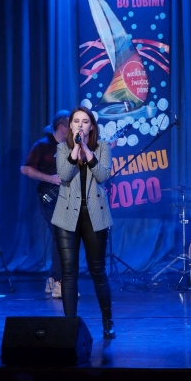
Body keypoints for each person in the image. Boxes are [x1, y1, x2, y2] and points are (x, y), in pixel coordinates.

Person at [51, 106, 116, 339]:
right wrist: (76, 149)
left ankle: (107, 320)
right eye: (76, 121)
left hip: (94, 216)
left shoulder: (103, 147)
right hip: (66, 216)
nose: (80, 125)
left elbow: (103, 175)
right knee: (68, 272)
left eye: (85, 121)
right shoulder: (62, 148)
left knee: (98, 271)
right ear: (70, 125)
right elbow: (64, 175)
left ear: (91, 126)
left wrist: (87, 150)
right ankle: (69, 326)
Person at [20, 110, 70, 298]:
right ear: (61, 127)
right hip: (49, 197)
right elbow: (25, 169)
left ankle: (53, 279)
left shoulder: (71, 146)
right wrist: (50, 178)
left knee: (62, 237)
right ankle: (59, 282)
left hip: (67, 198)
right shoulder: (42, 146)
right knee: (62, 235)